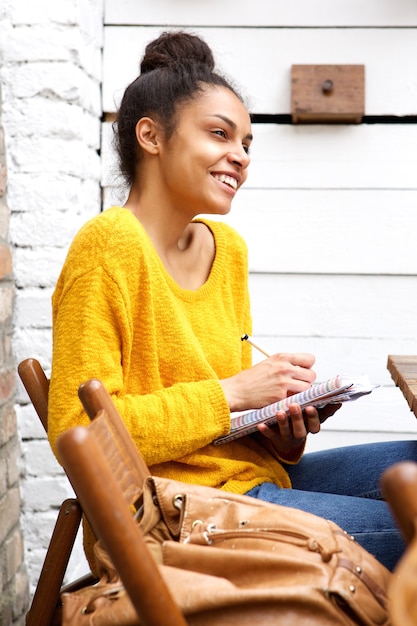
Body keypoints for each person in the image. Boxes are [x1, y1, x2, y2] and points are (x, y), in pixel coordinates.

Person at [48, 30, 415, 572]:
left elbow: (226, 420)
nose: (239, 156)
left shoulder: (229, 252)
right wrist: (233, 393)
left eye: (246, 143)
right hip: (172, 517)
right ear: (151, 136)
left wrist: (280, 427)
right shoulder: (107, 246)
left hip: (246, 484)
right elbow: (78, 432)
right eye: (220, 134)